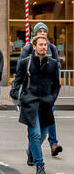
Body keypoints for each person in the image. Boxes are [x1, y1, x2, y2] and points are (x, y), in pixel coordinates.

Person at [11, 30, 61, 174]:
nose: (43, 47)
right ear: (34, 46)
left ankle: (31, 152)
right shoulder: (25, 62)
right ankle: (40, 164)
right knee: (35, 134)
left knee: (43, 135)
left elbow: (56, 85)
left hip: (46, 104)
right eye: (40, 45)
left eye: (45, 45)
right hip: (30, 103)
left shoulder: (52, 64)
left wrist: (52, 98)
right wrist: (20, 96)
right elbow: (18, 81)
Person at [18, 23, 63, 156]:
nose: (42, 33)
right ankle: (33, 148)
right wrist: (20, 96)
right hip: (32, 94)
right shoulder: (28, 48)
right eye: (40, 31)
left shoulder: (52, 47)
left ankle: (53, 144)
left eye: (44, 31)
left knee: (49, 120)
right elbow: (22, 66)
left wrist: (52, 95)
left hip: (46, 93)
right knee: (34, 128)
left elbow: (57, 63)